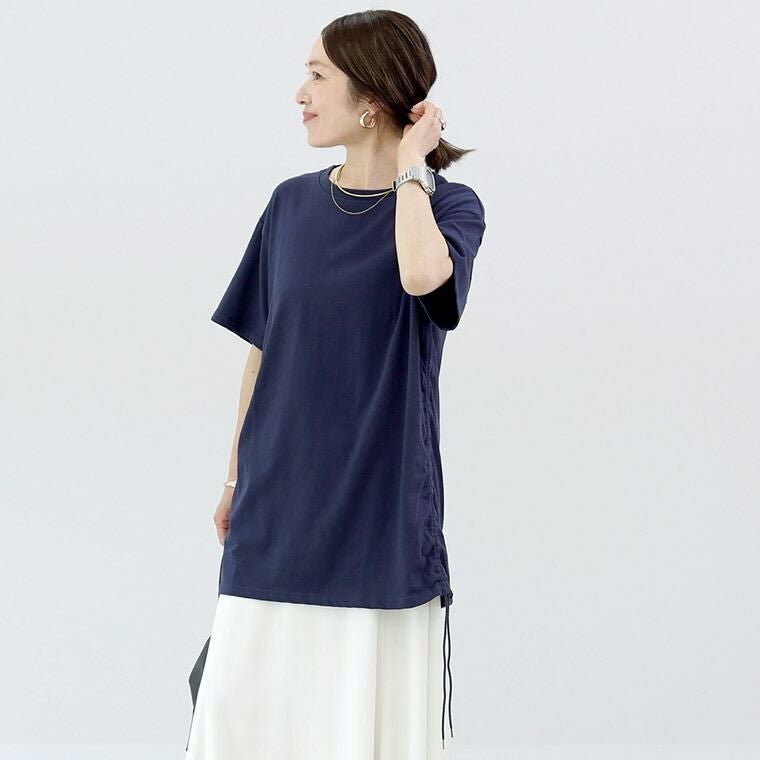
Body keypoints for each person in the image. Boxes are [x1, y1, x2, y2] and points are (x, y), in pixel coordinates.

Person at [185, 10, 487, 759]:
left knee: (357, 726)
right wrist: (234, 477)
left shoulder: (448, 207)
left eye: (318, 75)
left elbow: (424, 279)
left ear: (373, 98)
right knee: (236, 718)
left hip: (379, 509)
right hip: (277, 503)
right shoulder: (290, 205)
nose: (301, 93)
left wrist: (412, 168)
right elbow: (264, 349)